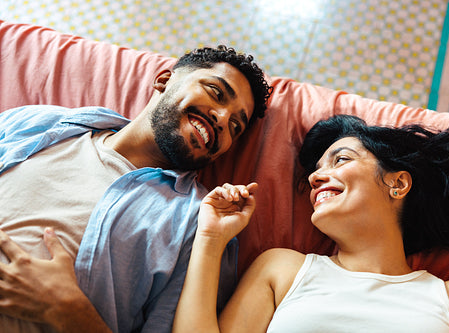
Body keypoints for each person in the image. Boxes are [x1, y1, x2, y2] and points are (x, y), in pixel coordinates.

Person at [0, 45, 272, 332]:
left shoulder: (201, 224)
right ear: (164, 80)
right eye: (216, 93)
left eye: (235, 125)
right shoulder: (37, 122)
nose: (221, 119)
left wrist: (70, 312)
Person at [172, 115, 449, 333]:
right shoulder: (283, 270)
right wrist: (210, 238)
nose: (315, 177)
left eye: (340, 159)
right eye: (315, 170)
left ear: (397, 184)